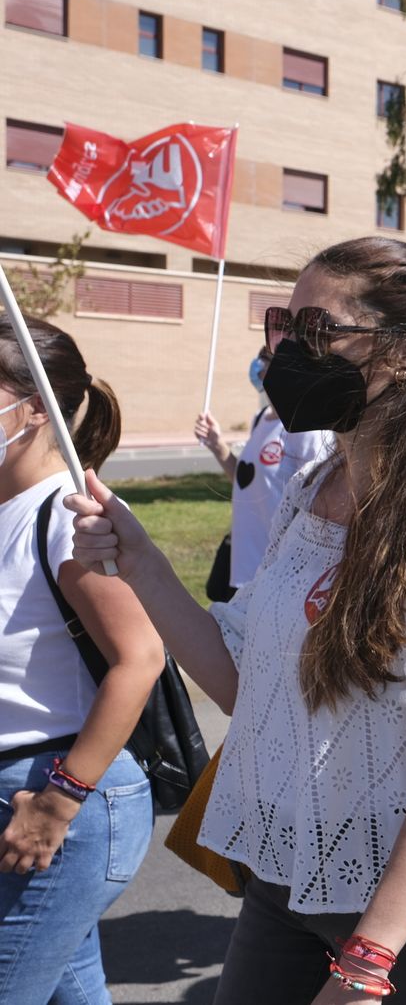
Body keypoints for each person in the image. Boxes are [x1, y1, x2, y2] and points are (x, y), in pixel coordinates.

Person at [67, 236, 406, 1004]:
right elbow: (245, 683)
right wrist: (139, 557)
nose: (286, 350)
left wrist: (368, 959)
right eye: (283, 325)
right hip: (284, 879)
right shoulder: (311, 488)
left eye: (317, 330)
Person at [0, 317, 165, 1004]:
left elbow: (142, 657)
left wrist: (57, 803)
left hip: (62, 796)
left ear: (35, 406)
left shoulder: (69, 516)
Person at [193, 346, 337, 601]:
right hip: (244, 566)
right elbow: (247, 482)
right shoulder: (261, 418)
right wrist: (218, 446)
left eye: (266, 359)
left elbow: (319, 496)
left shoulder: (305, 426)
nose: (258, 367)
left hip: (277, 572)